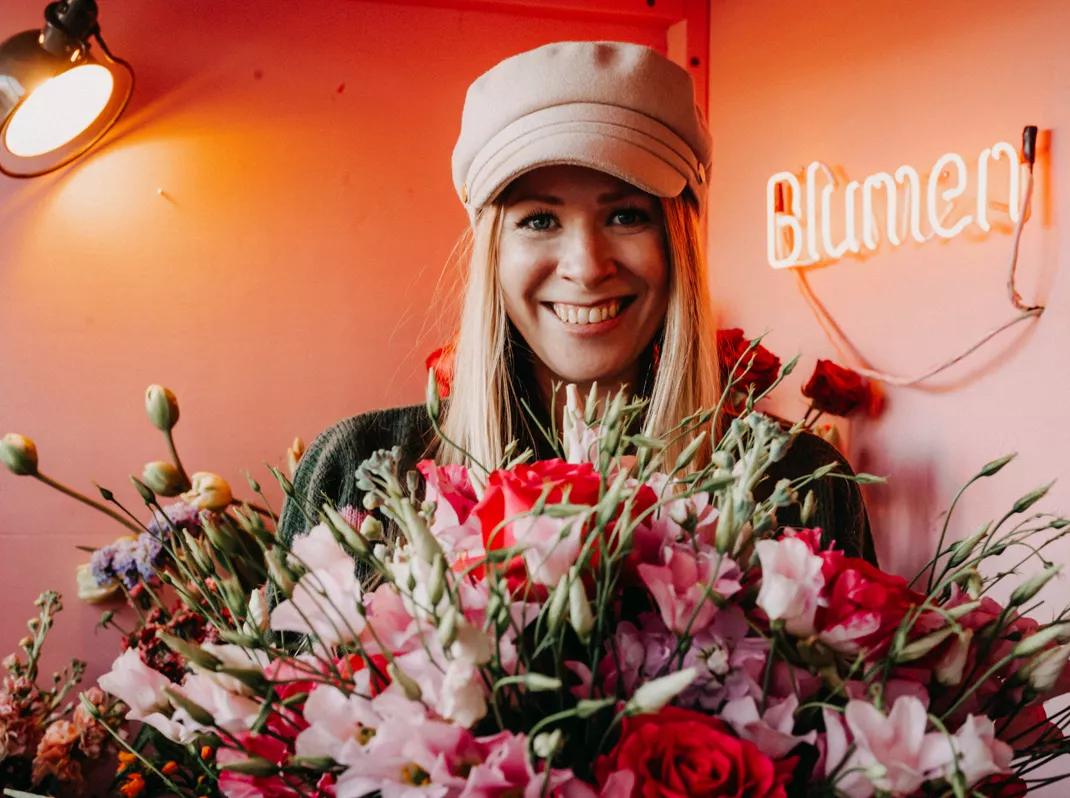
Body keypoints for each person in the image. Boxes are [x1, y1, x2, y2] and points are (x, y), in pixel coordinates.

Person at [278, 41, 874, 562]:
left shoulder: (797, 480)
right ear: (492, 252)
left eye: (626, 215)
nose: (587, 267)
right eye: (539, 219)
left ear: (678, 244)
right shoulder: (357, 473)